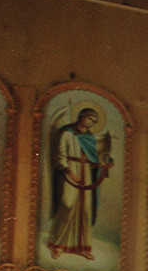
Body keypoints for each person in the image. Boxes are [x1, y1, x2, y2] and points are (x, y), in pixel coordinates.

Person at [48, 107, 112, 260]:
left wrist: (101, 165)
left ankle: (82, 247)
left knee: (85, 210)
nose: (91, 123)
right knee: (68, 205)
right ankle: (57, 245)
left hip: (86, 174)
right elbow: (60, 154)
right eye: (90, 119)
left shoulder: (89, 138)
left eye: (94, 121)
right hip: (70, 171)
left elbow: (93, 160)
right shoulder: (67, 133)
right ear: (82, 116)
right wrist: (69, 171)